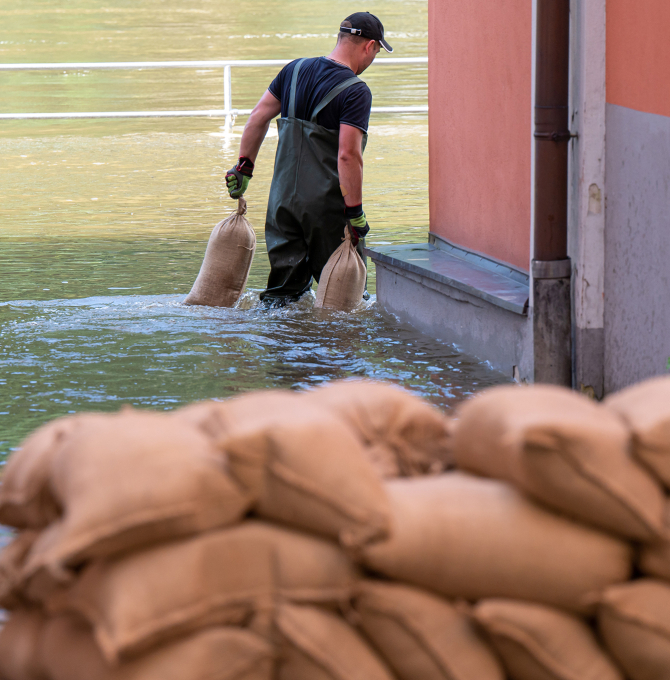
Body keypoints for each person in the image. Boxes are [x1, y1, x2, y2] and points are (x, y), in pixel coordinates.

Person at [225, 12, 393, 306]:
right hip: (326, 209)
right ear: (369, 46)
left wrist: (243, 168)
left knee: (283, 299)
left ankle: (279, 349)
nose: (373, 59)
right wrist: (355, 213)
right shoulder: (356, 91)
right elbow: (348, 155)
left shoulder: (294, 70)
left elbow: (257, 118)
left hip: (281, 204)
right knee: (347, 301)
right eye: (377, 52)